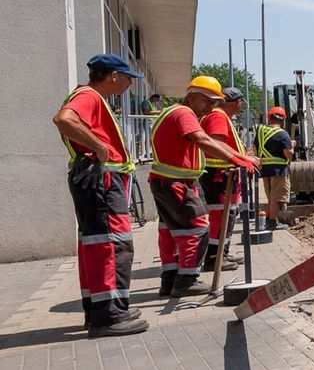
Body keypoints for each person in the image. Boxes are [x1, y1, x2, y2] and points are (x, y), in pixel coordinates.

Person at [52, 54, 149, 337]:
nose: (131, 83)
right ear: (113, 76)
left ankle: (104, 308)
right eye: (128, 77)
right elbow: (64, 119)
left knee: (98, 244)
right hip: (102, 182)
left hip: (98, 180)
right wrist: (101, 148)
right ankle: (109, 316)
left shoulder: (94, 98)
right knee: (110, 244)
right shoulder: (90, 96)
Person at [150, 76, 260, 297]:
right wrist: (237, 159)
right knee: (197, 227)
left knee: (171, 231)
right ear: (191, 96)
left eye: (214, 101)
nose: (211, 106)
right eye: (207, 100)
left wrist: (237, 156)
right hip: (176, 183)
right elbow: (205, 141)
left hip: (167, 181)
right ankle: (186, 281)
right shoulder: (183, 113)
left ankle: (170, 280)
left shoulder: (173, 111)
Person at [198, 87, 249, 272]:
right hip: (220, 175)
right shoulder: (218, 116)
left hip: (223, 174)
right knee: (222, 216)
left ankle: (222, 253)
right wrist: (240, 159)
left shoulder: (218, 116)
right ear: (237, 102)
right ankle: (214, 258)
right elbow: (216, 143)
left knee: (227, 215)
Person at [257, 107, 294, 230]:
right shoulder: (283, 134)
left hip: (265, 169)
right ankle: (272, 222)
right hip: (279, 170)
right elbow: (288, 153)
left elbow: (255, 149)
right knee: (277, 197)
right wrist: (292, 145)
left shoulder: (260, 131)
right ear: (283, 119)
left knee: (270, 196)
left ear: (269, 117)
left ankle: (268, 220)